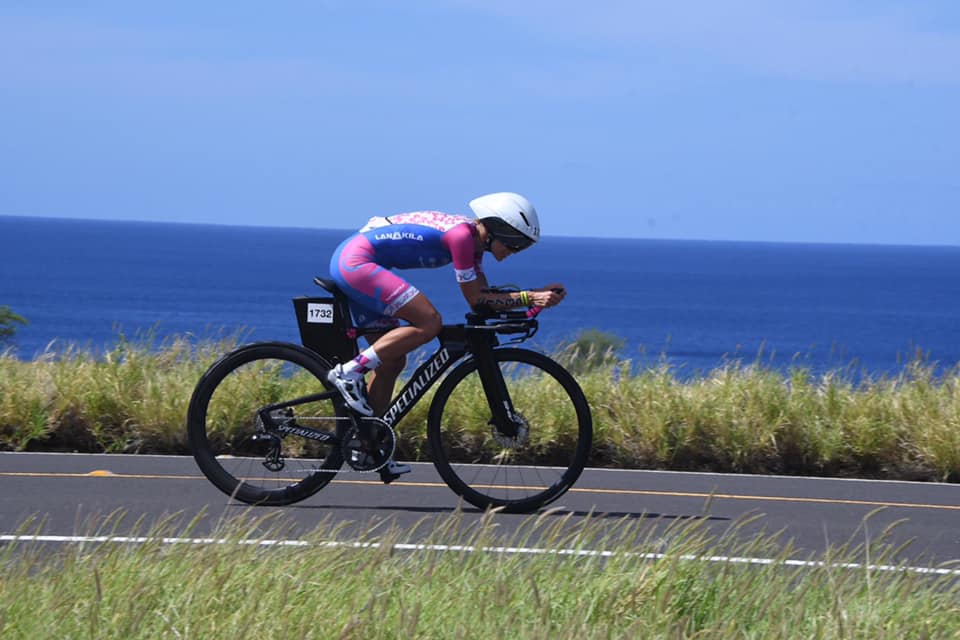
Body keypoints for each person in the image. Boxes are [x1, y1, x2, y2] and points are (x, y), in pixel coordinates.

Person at [326, 192, 567, 482]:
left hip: (355, 261)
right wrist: (530, 297)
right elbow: (475, 299)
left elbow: (483, 300)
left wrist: (533, 296)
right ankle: (349, 372)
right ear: (496, 229)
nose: (514, 252)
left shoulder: (473, 244)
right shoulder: (461, 237)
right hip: (356, 263)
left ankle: (370, 444)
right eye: (514, 244)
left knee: (392, 362)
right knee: (430, 322)